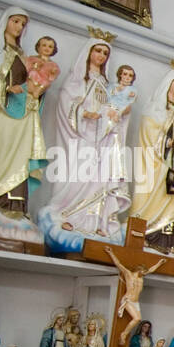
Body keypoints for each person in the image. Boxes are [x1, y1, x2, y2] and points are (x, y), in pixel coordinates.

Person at [43, 36, 129, 244]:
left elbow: (114, 111)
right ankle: (69, 216)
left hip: (103, 139)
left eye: (105, 53)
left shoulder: (107, 85)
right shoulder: (77, 81)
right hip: (81, 138)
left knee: (99, 182)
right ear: (89, 52)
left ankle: (93, 225)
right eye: (97, 51)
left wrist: (118, 112)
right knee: (79, 176)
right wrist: (84, 113)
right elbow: (66, 104)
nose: (101, 56)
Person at [0, 6, 48, 220]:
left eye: (23, 24)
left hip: (23, 114)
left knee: (21, 159)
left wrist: (39, 91)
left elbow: (31, 83)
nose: (19, 27)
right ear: (5, 21)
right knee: (2, 153)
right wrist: (5, 89)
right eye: (15, 21)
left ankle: (16, 208)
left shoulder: (24, 56)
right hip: (3, 114)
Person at [130, 68, 174, 257]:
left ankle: (165, 242)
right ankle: (146, 236)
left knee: (172, 201)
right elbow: (149, 133)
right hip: (157, 164)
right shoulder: (155, 107)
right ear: (169, 83)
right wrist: (169, 143)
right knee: (155, 197)